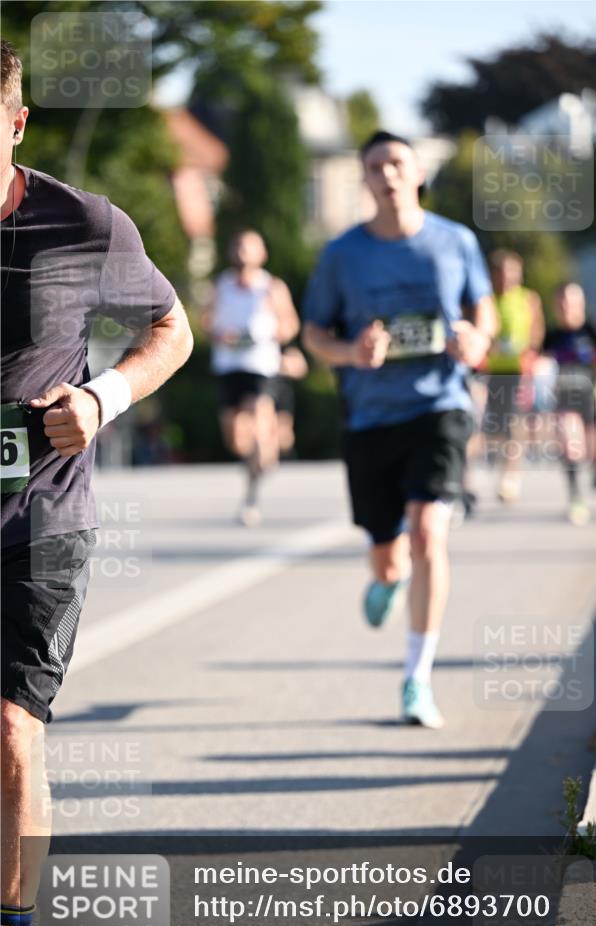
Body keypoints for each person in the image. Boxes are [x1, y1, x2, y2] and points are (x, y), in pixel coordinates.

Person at [0, 40, 193, 926]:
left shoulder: (81, 224)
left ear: (18, 121)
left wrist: (104, 398)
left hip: (41, 518)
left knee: (10, 730)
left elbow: (172, 326)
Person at [302, 130, 497, 728]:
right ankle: (385, 579)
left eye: (396, 163)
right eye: (374, 166)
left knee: (428, 536)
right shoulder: (343, 254)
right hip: (369, 416)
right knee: (389, 557)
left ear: (416, 173)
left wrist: (477, 338)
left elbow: (481, 309)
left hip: (439, 406)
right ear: (363, 180)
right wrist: (351, 353)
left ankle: (417, 678)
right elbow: (314, 335)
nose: (386, 174)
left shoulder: (454, 241)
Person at [205, 230, 300, 526]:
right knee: (235, 439)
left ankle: (252, 494)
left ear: (262, 254)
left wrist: (268, 333)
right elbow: (206, 323)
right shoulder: (220, 286)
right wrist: (222, 335)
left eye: (249, 247)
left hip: (261, 366)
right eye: (238, 246)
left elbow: (290, 326)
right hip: (228, 366)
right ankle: (258, 462)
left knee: (259, 422)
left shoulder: (272, 287)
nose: (243, 252)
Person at [543, 283, 596, 525]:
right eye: (562, 304)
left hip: (592, 397)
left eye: (571, 303)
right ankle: (575, 498)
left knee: (592, 450)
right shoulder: (552, 337)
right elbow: (539, 362)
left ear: (581, 304)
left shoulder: (592, 331)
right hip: (565, 399)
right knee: (570, 447)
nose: (567, 308)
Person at [484, 250, 544, 501]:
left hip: (518, 370)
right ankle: (501, 464)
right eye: (502, 273)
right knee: (494, 425)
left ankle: (510, 476)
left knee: (513, 422)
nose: (507, 278)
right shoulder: (485, 299)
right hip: (489, 369)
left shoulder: (528, 298)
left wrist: (531, 352)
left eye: (512, 273)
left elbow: (537, 330)